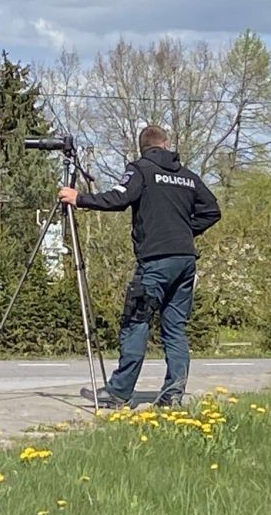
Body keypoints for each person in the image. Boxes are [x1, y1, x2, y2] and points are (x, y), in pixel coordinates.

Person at [58, 125, 221, 408]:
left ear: (142, 147)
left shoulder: (141, 169)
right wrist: (183, 231)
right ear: (166, 144)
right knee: (175, 328)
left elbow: (119, 198)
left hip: (156, 261)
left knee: (136, 321)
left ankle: (119, 392)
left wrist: (79, 198)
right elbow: (212, 211)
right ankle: (172, 394)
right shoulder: (187, 176)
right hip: (185, 261)